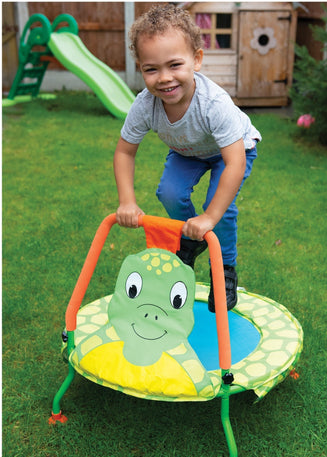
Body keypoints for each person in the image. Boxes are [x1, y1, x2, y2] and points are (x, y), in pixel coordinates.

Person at [114, 4, 261, 312]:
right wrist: (127, 200)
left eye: (175, 65)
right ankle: (190, 241)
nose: (164, 78)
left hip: (233, 151)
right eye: (151, 69)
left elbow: (234, 162)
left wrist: (208, 218)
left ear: (196, 59)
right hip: (188, 152)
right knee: (168, 192)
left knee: (220, 209)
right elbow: (125, 151)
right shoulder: (145, 106)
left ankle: (226, 271)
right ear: (140, 68)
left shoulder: (214, 104)